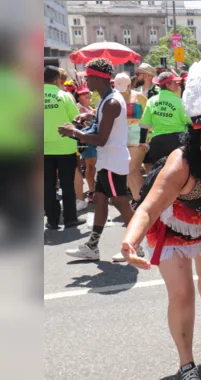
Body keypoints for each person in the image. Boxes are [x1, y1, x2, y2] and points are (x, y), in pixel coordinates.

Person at [120, 54, 201, 380]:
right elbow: (148, 208)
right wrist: (129, 241)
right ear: (197, 138)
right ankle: (187, 363)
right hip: (170, 229)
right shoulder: (181, 163)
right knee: (182, 293)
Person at [60, 58, 134, 260]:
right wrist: (88, 118)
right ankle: (92, 247)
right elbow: (105, 125)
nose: (86, 81)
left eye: (88, 77)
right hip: (108, 162)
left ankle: (136, 246)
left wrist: (74, 132)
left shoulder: (110, 101)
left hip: (112, 162)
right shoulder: (106, 98)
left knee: (122, 204)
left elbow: (101, 139)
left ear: (98, 78)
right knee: (100, 201)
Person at [44, 66, 84, 229]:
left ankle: (52, 220)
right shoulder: (64, 96)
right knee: (67, 185)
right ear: (57, 79)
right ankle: (70, 219)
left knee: (47, 186)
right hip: (65, 146)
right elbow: (76, 119)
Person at [113, 72, 149, 214]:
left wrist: (147, 137)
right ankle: (138, 200)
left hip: (138, 137)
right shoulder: (113, 97)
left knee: (133, 169)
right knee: (127, 171)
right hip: (120, 137)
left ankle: (143, 203)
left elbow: (148, 116)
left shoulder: (139, 97)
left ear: (129, 84)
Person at [141, 72, 189, 172]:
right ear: (168, 85)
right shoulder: (179, 101)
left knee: (158, 173)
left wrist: (142, 141)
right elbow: (188, 121)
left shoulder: (151, 101)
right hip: (177, 141)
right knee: (176, 173)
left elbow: (145, 123)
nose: (177, 84)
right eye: (174, 82)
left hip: (157, 142)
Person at [73, 84, 94, 210]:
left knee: (92, 165)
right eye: (85, 94)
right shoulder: (78, 108)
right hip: (85, 141)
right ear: (78, 97)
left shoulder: (88, 108)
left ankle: (93, 189)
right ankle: (92, 191)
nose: (88, 96)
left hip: (92, 140)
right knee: (90, 165)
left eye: (89, 94)